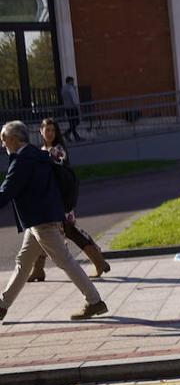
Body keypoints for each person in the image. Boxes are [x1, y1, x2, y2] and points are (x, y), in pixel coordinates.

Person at [0, 121, 107, 323]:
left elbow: (5, 193)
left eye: (3, 140)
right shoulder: (35, 154)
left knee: (64, 260)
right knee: (24, 262)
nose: (3, 145)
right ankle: (2, 305)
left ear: (14, 139)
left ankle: (95, 301)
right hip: (43, 217)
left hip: (42, 220)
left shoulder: (22, 160)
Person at [28, 118, 109, 282]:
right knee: (44, 233)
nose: (50, 133)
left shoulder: (57, 150)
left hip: (59, 201)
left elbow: (54, 161)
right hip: (48, 201)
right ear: (41, 131)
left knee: (66, 231)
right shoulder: (42, 150)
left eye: (53, 130)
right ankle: (38, 270)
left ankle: (99, 262)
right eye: (47, 130)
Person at [60, 76, 82, 141]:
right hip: (73, 107)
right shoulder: (71, 88)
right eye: (72, 81)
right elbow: (74, 98)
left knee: (71, 122)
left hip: (67, 108)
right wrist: (78, 106)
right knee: (77, 121)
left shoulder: (63, 89)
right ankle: (71, 134)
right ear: (70, 81)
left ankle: (70, 134)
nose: (73, 82)